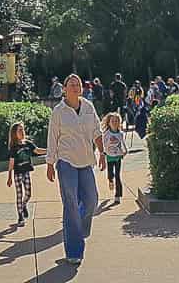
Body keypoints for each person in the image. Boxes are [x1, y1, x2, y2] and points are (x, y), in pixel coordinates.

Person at [48, 73, 104, 267]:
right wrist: (50, 163)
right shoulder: (58, 111)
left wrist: (103, 153)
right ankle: (74, 251)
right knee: (71, 204)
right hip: (66, 162)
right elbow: (52, 138)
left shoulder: (88, 107)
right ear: (64, 89)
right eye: (71, 85)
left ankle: (77, 227)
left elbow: (97, 131)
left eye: (78, 84)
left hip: (86, 161)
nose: (75, 87)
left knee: (91, 201)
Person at [7, 120, 41, 225]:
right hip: (17, 173)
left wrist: (50, 150)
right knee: (19, 194)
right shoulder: (14, 147)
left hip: (26, 172)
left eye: (23, 130)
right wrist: (9, 177)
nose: (22, 132)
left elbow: (37, 151)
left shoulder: (27, 144)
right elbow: (11, 163)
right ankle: (20, 216)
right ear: (14, 134)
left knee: (28, 194)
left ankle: (23, 204)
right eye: (19, 130)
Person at [102, 110, 128, 200]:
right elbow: (103, 144)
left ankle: (118, 195)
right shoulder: (106, 134)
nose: (115, 123)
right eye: (112, 121)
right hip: (109, 157)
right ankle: (110, 180)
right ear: (109, 123)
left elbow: (123, 143)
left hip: (117, 157)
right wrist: (103, 152)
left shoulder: (120, 134)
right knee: (110, 175)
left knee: (118, 176)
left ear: (119, 123)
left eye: (117, 121)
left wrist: (125, 151)